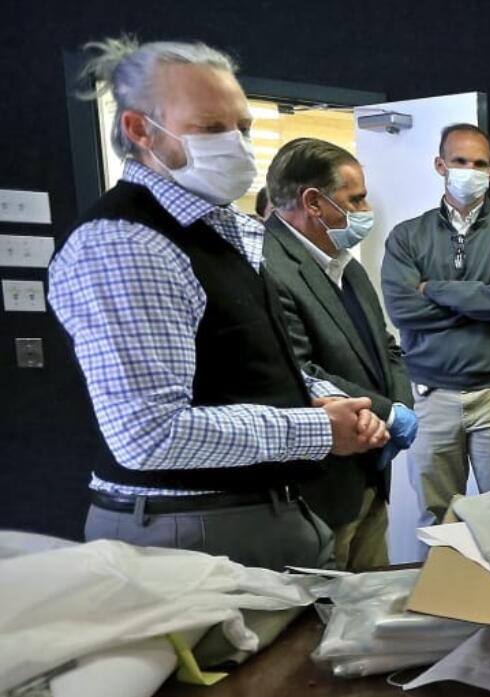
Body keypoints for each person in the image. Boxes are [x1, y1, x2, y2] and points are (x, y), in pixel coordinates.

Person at [48, 37, 388, 571]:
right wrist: (319, 430)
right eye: (211, 129)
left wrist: (325, 399)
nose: (236, 145)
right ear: (140, 131)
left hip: (264, 511)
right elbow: (150, 435)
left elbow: (252, 358)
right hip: (189, 527)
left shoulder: (224, 231)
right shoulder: (127, 244)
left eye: (243, 128)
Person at [263, 138, 418, 571]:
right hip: (319, 486)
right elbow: (299, 371)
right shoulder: (267, 266)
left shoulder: (345, 264)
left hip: (370, 474)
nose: (366, 208)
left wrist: (400, 406)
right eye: (356, 198)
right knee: (325, 620)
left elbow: (386, 346)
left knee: (371, 609)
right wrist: (388, 414)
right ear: (313, 202)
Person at [381, 123, 490, 525]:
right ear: (440, 165)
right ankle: (443, 590)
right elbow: (403, 310)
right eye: (460, 161)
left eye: (480, 163)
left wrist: (434, 287)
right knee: (437, 518)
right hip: (432, 396)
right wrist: (480, 301)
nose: (470, 170)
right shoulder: (407, 237)